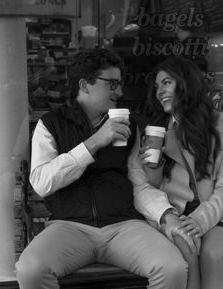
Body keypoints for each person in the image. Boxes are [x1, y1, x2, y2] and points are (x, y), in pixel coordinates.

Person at [15, 48, 191, 289]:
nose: (119, 91)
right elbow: (42, 182)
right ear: (85, 85)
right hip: (68, 227)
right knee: (30, 270)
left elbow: (140, 185)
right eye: (112, 84)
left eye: (120, 84)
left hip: (124, 225)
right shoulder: (52, 124)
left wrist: (166, 214)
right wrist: (94, 143)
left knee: (172, 268)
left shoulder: (128, 127)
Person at [140, 56, 223, 289]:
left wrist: (200, 220)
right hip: (175, 214)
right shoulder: (158, 130)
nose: (159, 91)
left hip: (214, 215)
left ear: (186, 83)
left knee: (215, 254)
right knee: (186, 244)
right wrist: (153, 166)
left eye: (166, 83)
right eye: (157, 86)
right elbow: (150, 188)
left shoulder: (219, 126)